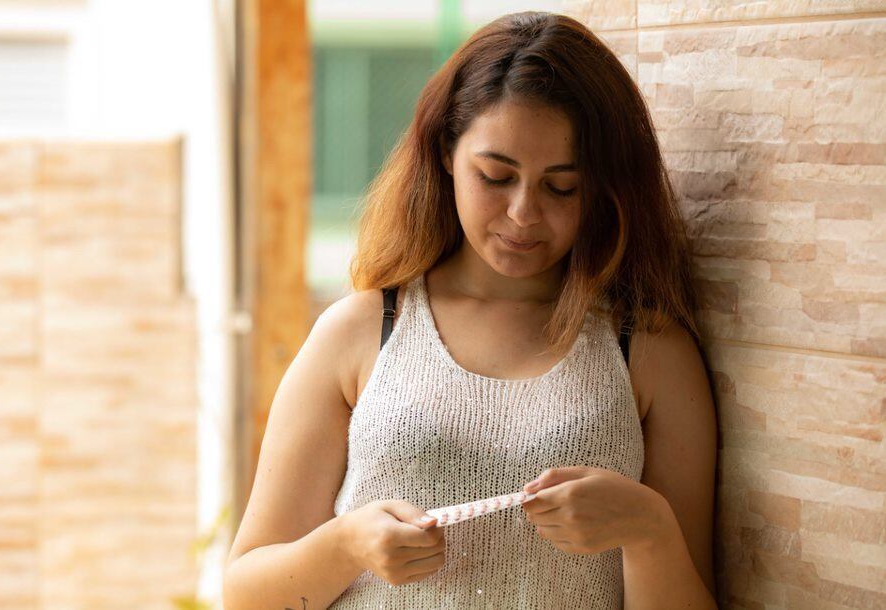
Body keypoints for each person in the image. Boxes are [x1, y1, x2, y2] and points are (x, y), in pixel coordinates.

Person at [223, 10, 718, 610]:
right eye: (495, 176)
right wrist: (345, 544)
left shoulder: (648, 349)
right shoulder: (360, 331)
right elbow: (247, 595)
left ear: (605, 187)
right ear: (444, 156)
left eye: (561, 186)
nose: (523, 214)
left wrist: (650, 531)